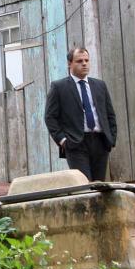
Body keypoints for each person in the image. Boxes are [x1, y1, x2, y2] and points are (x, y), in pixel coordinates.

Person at [45, 47, 117, 181]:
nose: (84, 64)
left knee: (99, 185)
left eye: (86, 60)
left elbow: (109, 114)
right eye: (79, 61)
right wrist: (63, 141)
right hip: (75, 143)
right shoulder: (59, 87)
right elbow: (50, 117)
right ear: (69, 63)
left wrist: (111, 139)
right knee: (84, 183)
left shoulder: (100, 85)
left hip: (100, 142)